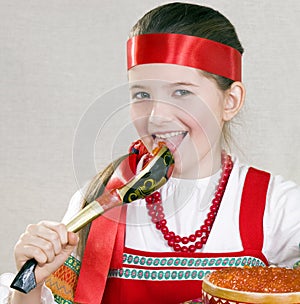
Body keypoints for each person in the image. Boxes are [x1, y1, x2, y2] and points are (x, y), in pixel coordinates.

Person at [1, 2, 300, 304]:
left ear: (230, 101)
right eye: (142, 94)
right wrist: (27, 284)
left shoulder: (278, 207)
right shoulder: (93, 201)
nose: (157, 117)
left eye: (182, 92)